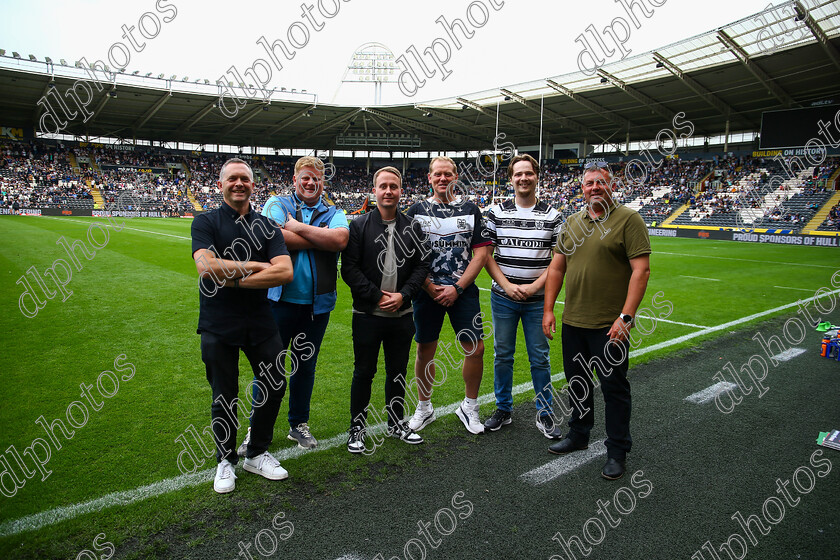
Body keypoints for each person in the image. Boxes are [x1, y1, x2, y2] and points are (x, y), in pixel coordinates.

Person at [542, 161, 651, 480]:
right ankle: (579, 434)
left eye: (600, 182)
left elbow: (641, 271)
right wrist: (549, 310)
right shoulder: (572, 222)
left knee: (614, 388)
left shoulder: (628, 219)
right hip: (574, 321)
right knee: (578, 383)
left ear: (611, 185)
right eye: (589, 183)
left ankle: (617, 450)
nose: (594, 188)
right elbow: (557, 268)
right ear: (582, 188)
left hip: (610, 325)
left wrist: (626, 316)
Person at [191, 158, 294, 494]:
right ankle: (225, 460)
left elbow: (284, 271)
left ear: (253, 185)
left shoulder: (266, 226)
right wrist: (254, 266)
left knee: (275, 383)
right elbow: (206, 267)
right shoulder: (204, 221)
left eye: (245, 179)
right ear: (220, 185)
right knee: (225, 393)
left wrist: (232, 279)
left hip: (260, 319)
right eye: (232, 179)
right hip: (218, 320)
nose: (239, 184)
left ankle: (257, 452)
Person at [237, 156, 349, 452]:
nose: (311, 183)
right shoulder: (276, 203)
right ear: (295, 179)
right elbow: (269, 237)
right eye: (305, 178)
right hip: (278, 302)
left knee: (304, 367)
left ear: (323, 182)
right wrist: (318, 237)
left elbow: (339, 240)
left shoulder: (334, 211)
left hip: (317, 306)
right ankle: (256, 428)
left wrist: (296, 227)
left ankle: (298, 424)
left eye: (316, 179)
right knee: (268, 368)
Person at [341, 166, 430, 453]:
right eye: (383, 186)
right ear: (375, 191)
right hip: (367, 315)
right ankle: (357, 427)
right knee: (363, 372)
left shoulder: (413, 227)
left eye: (394, 186)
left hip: (402, 315)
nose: (389, 191)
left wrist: (403, 296)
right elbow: (350, 269)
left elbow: (421, 266)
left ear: (401, 190)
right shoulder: (358, 226)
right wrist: (378, 296)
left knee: (397, 372)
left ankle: (396, 422)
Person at [405, 156, 492, 434]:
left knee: (475, 348)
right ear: (429, 178)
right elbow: (408, 255)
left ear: (456, 177)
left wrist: (457, 287)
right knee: (424, 349)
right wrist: (429, 287)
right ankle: (424, 407)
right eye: (438, 174)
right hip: (425, 289)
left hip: (462, 290)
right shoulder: (415, 211)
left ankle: (469, 406)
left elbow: (481, 254)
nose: (443, 179)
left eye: (448, 174)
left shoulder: (471, 209)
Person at [483, 154, 563, 439]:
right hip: (503, 297)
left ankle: (545, 413)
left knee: (539, 358)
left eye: (528, 173)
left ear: (537, 177)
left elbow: (558, 261)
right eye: (518, 174)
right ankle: (503, 409)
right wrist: (506, 285)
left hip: (537, 300)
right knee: (502, 355)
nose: (523, 178)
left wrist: (532, 288)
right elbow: (486, 256)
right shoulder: (495, 212)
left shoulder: (553, 215)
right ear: (511, 178)